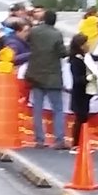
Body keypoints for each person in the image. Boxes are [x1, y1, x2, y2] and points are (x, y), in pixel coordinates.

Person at [27, 10, 68, 150]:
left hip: (36, 74)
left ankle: (39, 139)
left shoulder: (34, 31)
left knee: (37, 109)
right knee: (58, 109)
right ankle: (59, 139)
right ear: (54, 21)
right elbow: (62, 53)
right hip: (52, 76)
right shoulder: (57, 34)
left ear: (44, 19)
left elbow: (28, 42)